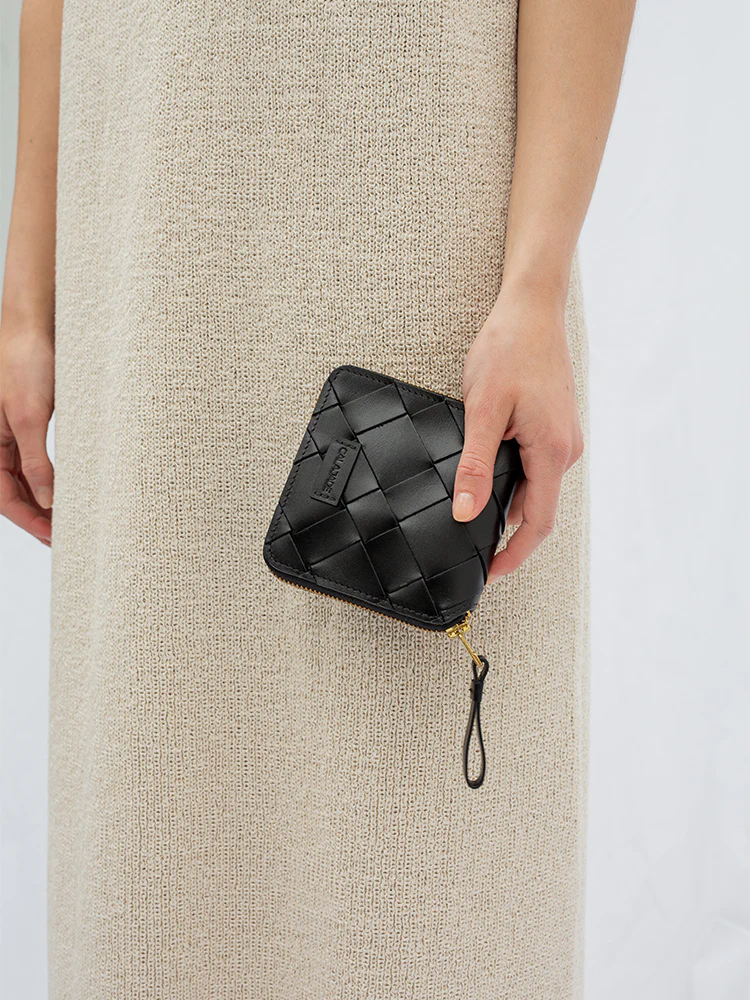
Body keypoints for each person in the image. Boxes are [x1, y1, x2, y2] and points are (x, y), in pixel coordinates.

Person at [0, 1, 636, 997]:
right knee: (150, 853)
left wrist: (537, 283)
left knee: (423, 886)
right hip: (139, 238)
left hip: (413, 200)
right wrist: (24, 304)